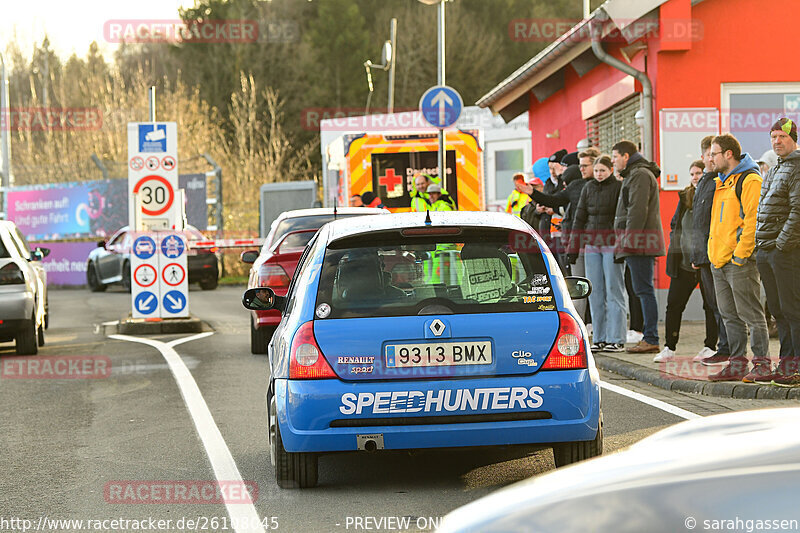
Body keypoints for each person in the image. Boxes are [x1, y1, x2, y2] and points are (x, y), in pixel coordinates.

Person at [706, 133, 769, 382]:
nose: (710, 159)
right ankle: (737, 364)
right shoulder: (722, 180)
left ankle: (762, 364)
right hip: (719, 261)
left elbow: (753, 221)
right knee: (729, 316)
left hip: (738, 261)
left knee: (752, 315)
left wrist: (741, 256)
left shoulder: (749, 179)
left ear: (728, 154)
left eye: (714, 154)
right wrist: (714, 256)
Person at [654, 160, 720, 363]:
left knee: (711, 305)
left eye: (698, 173)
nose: (695, 177)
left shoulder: (713, 193)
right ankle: (669, 347)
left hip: (705, 261)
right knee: (674, 304)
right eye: (692, 174)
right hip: (683, 263)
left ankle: (710, 346)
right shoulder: (684, 196)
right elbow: (676, 224)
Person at [755, 118, 800, 386]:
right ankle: (785, 365)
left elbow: (798, 212)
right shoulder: (773, 170)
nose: (776, 141)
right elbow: (762, 210)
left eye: (781, 137)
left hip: (785, 252)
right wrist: (761, 245)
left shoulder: (797, 168)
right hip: (766, 250)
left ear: (793, 138)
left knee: (793, 310)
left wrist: (782, 245)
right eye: (773, 137)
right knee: (778, 312)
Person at [611, 140, 666, 354]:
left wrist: (630, 242)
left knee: (644, 290)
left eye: (615, 157)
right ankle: (649, 336)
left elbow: (637, 210)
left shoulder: (639, 175)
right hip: (637, 242)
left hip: (640, 244)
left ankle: (651, 337)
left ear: (626, 156)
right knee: (641, 289)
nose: (614, 161)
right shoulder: (635, 174)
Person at [571, 154, 625, 352]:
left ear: (611, 170)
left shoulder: (618, 188)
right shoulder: (588, 188)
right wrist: (573, 247)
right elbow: (579, 217)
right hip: (592, 245)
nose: (599, 174)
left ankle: (616, 339)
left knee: (614, 291)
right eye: (596, 171)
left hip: (612, 244)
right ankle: (600, 338)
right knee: (595, 292)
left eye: (603, 170)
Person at [692, 136, 731, 365]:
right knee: (714, 305)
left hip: (716, 252)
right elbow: (698, 221)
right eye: (707, 154)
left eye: (712, 154)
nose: (708, 158)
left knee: (723, 305)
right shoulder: (706, 180)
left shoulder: (719, 180)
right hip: (704, 254)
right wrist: (696, 254)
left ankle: (727, 349)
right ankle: (722, 347)